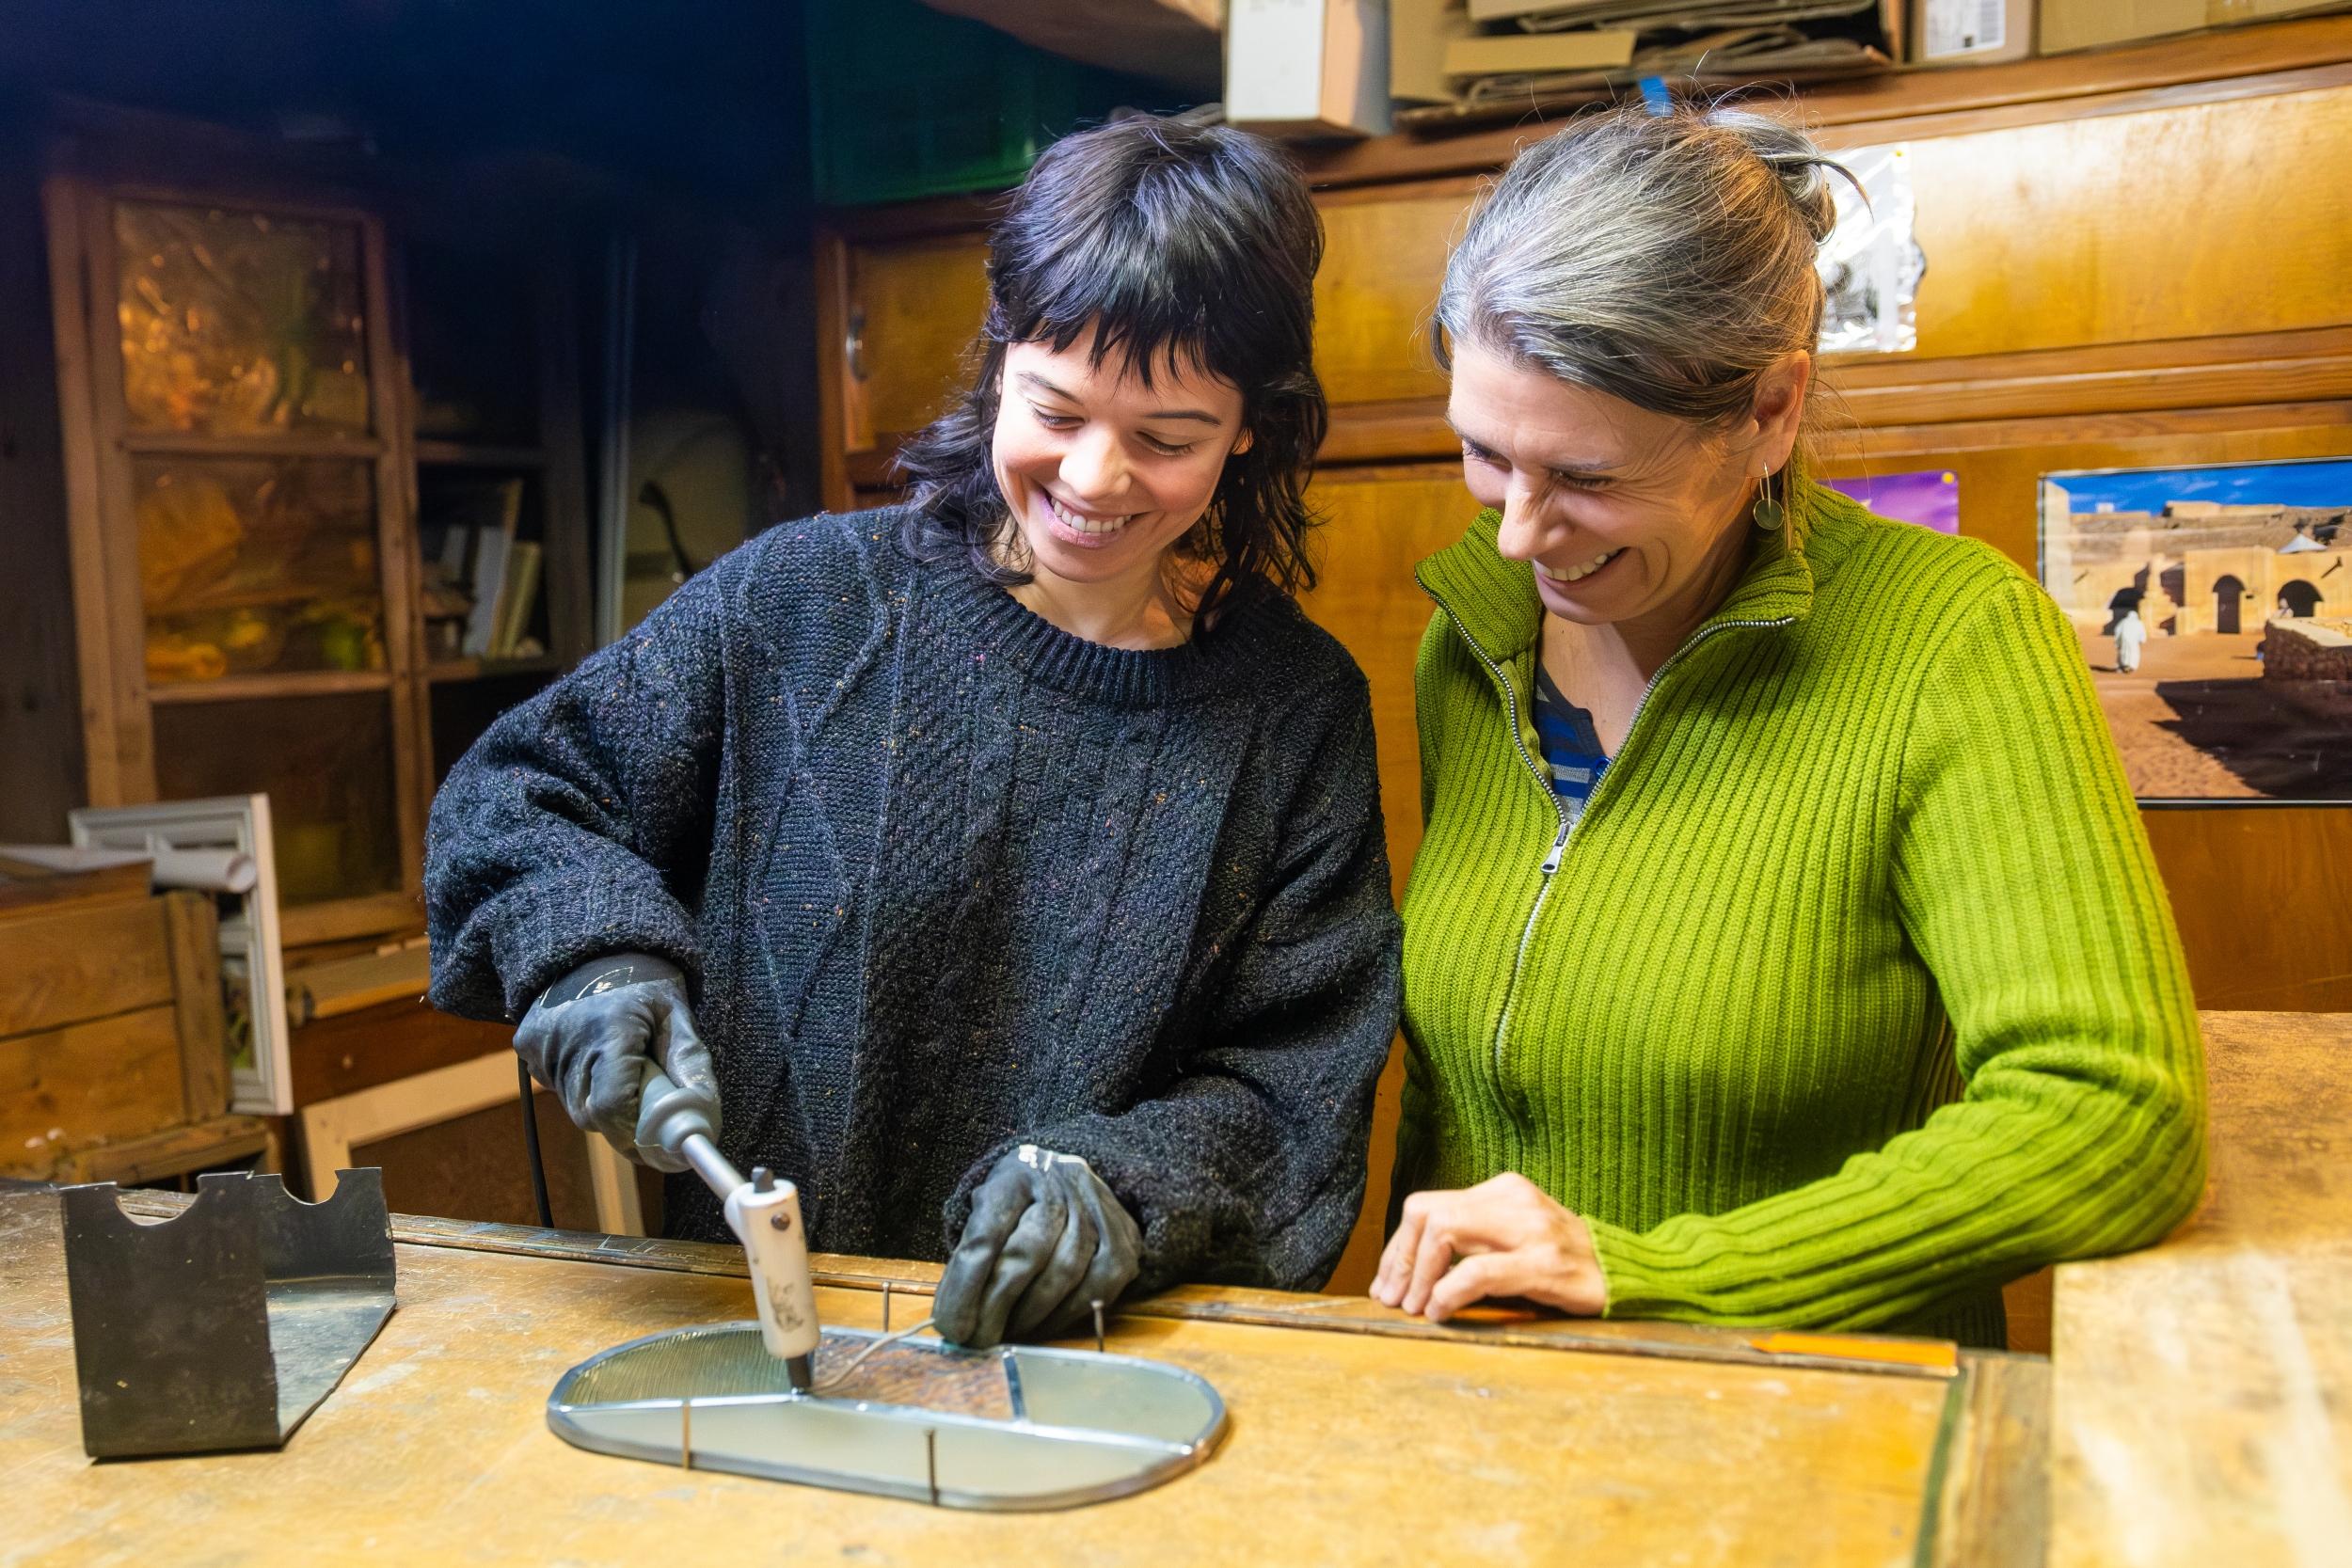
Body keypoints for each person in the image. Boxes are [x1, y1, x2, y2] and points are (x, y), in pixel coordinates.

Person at [426, 113, 1401, 1350]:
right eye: (1055, 410)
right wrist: (592, 957)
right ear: (1000, 359)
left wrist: (1123, 1185)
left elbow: (1293, 1084)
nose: (1096, 479)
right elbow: (524, 796)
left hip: (1091, 1364)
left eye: (1167, 439)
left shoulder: (1293, 707)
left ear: (1250, 426)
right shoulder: (801, 604)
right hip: (756, 1330)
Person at [1369, 105, 2205, 1347]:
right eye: (1485, 452)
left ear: (1770, 408)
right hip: (1502, 1442)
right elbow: (1451, 1095)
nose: (1518, 531)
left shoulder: (1954, 641)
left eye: (1588, 477)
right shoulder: (1473, 641)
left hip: (1833, 1441)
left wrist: (1659, 1272)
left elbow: (2112, 1113)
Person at [2114, 606, 2147, 673]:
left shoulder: (2124, 621)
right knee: (2133, 653)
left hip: (2124, 640)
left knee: (2124, 652)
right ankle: (2131, 666)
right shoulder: (2139, 623)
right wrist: (2142, 640)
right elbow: (2142, 632)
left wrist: (2118, 641)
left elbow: (2117, 630)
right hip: (2134, 641)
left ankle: (2125, 665)